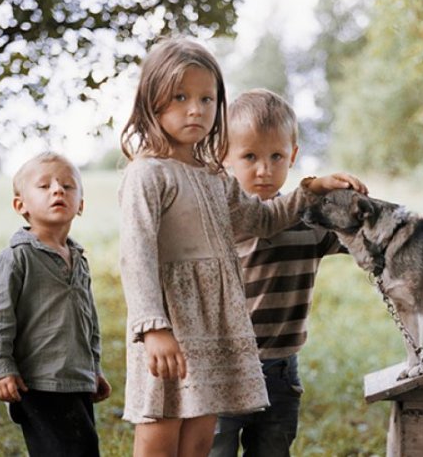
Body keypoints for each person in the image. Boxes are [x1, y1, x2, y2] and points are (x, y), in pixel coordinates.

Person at [118, 37, 366, 457]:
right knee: (161, 428)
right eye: (180, 97)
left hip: (214, 325)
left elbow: (263, 219)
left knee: (200, 433)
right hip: (171, 322)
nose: (195, 109)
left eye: (206, 98)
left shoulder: (215, 177)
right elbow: (137, 254)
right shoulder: (149, 174)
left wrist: (312, 189)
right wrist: (153, 327)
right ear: (151, 102)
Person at [208, 88, 342, 457]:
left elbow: (370, 236)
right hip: (225, 366)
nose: (264, 170)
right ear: (225, 157)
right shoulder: (225, 219)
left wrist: (420, 223)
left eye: (276, 156)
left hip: (281, 369)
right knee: (215, 450)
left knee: (272, 450)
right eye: (249, 156)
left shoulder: (311, 222)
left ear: (293, 156)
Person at [0, 151, 111, 457]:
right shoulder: (16, 258)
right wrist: (2, 368)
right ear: (20, 205)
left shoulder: (78, 259)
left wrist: (93, 368)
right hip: (38, 381)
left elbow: (88, 320)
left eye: (68, 186)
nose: (58, 190)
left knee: (84, 448)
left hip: (75, 379)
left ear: (80, 204)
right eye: (44, 186)